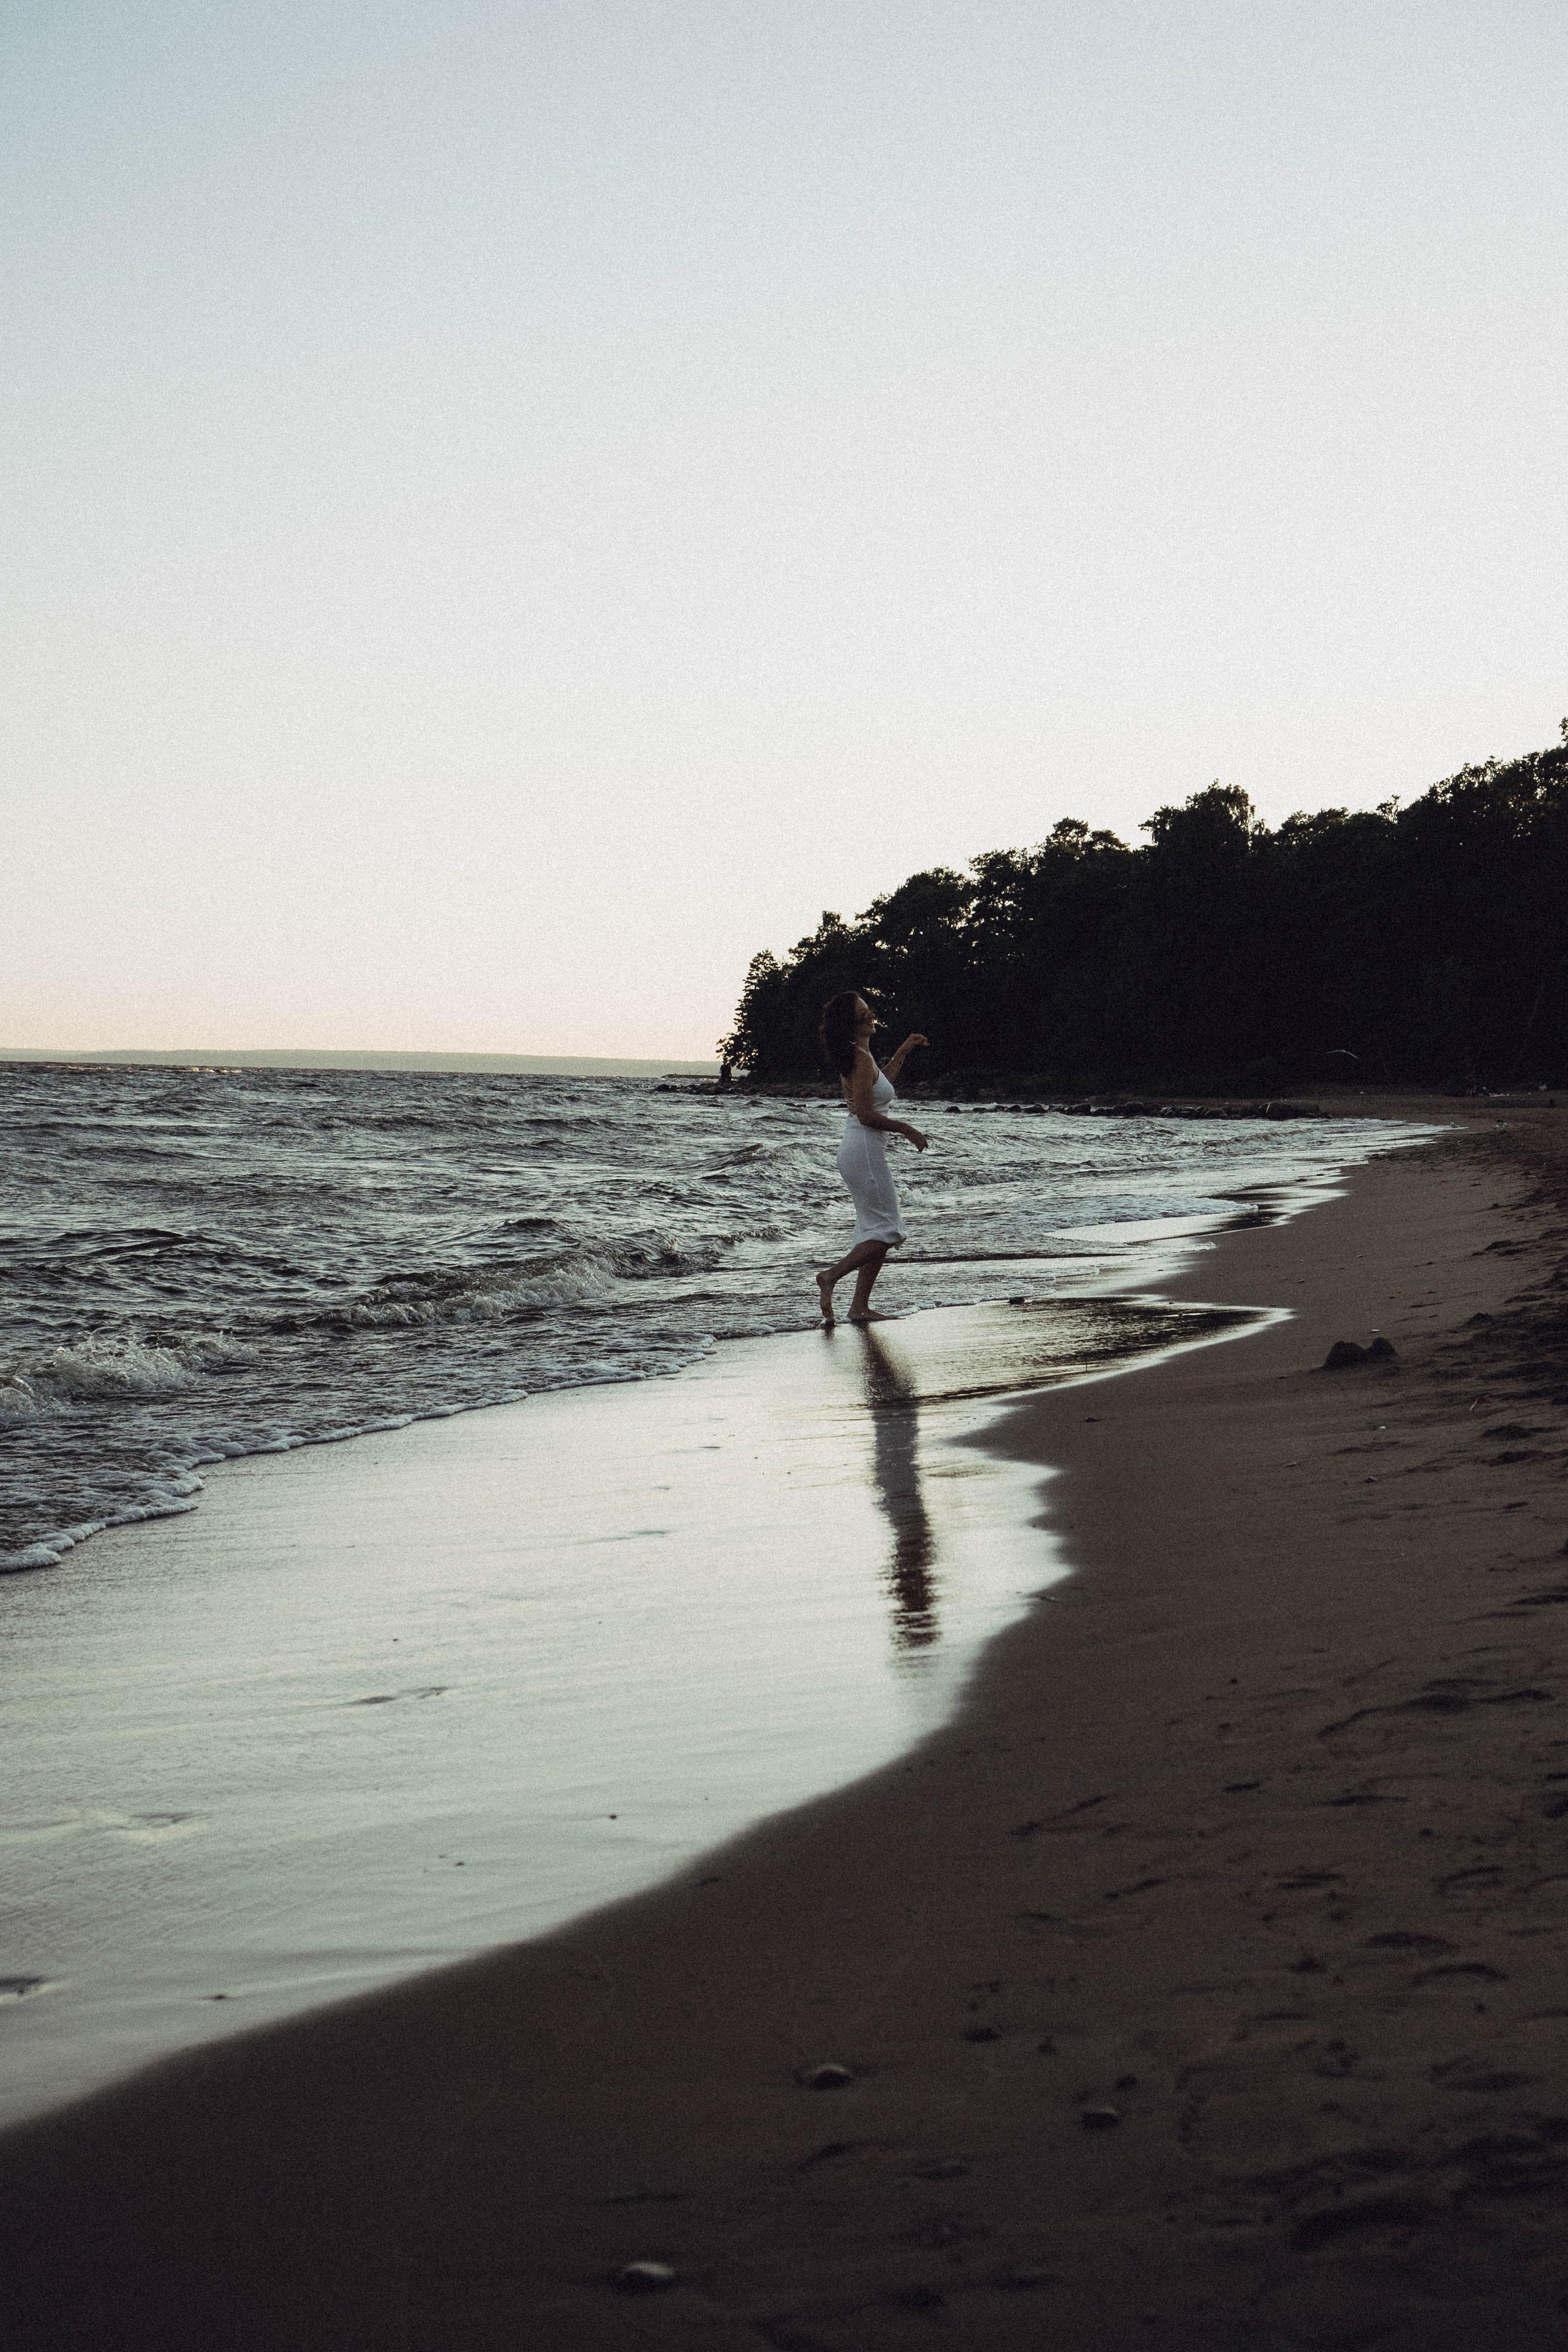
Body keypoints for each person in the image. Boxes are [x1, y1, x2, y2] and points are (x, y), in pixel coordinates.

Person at [815, 992, 929, 1324]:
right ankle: (831, 1276)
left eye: (869, 1011)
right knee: (887, 1230)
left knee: (876, 1229)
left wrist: (902, 1052)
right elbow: (866, 1114)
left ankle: (859, 1307)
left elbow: (882, 1087)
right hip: (862, 1148)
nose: (870, 1016)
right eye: (863, 1014)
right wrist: (907, 1129)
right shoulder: (859, 1058)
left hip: (861, 1150)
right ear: (850, 1025)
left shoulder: (862, 1055)